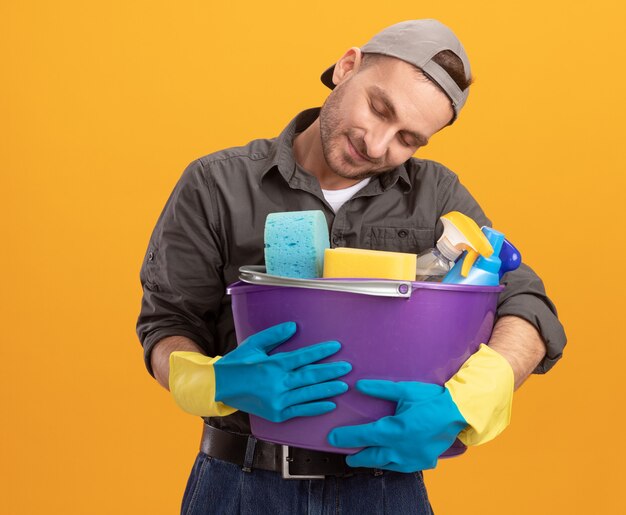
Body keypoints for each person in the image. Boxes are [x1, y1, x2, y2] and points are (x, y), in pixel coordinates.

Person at [136, 19, 566, 514]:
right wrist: (209, 381)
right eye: (379, 109)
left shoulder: (436, 196)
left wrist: (463, 403)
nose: (379, 145)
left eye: (408, 138)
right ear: (347, 67)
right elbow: (168, 324)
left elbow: (528, 305)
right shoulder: (217, 184)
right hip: (240, 484)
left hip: (382, 490)